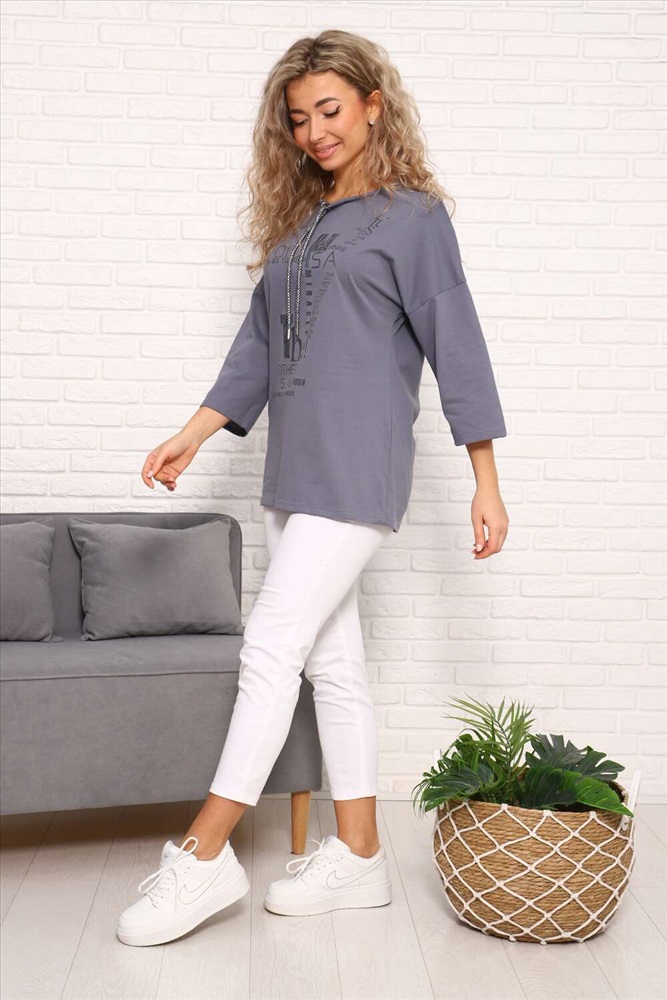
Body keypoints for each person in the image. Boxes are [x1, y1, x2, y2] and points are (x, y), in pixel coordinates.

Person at [116, 28, 509, 948]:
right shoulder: (299, 228)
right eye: (297, 120)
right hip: (293, 468)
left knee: (270, 645)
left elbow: (458, 346)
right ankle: (360, 855)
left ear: (373, 104)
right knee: (331, 663)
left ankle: (204, 855)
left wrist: (485, 481)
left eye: (329, 111)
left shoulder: (415, 220)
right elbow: (256, 350)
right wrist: (191, 434)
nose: (314, 132)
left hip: (359, 463)